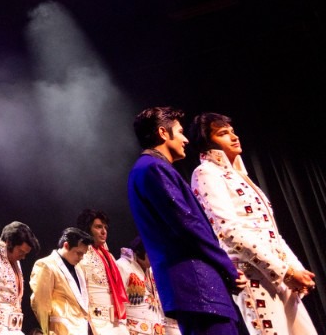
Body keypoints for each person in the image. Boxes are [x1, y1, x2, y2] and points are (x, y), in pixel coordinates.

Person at [188, 112, 317, 335]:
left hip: (279, 275)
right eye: (223, 133)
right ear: (208, 143)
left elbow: (272, 233)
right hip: (254, 276)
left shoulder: (239, 176)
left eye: (232, 131)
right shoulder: (206, 173)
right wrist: (285, 271)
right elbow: (228, 231)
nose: (234, 136)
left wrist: (296, 270)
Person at [126, 106, 244, 335]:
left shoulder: (149, 168)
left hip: (195, 290)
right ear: (163, 133)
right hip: (199, 288)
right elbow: (188, 225)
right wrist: (227, 266)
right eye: (180, 132)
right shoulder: (152, 168)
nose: (186, 139)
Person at [29, 227, 93, 335]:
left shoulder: (79, 269)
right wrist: (46, 331)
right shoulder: (46, 265)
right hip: (59, 330)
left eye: (83, 254)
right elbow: (40, 304)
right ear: (66, 245)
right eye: (78, 253)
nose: (81, 257)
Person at [75, 209, 129, 335]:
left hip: (117, 323)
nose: (104, 232)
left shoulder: (109, 256)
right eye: (98, 227)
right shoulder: (81, 255)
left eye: (105, 227)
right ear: (87, 229)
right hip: (95, 322)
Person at [116, 236, 174, 335]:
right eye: (150, 255)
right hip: (133, 330)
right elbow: (117, 303)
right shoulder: (121, 266)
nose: (154, 259)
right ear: (139, 253)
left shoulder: (151, 271)